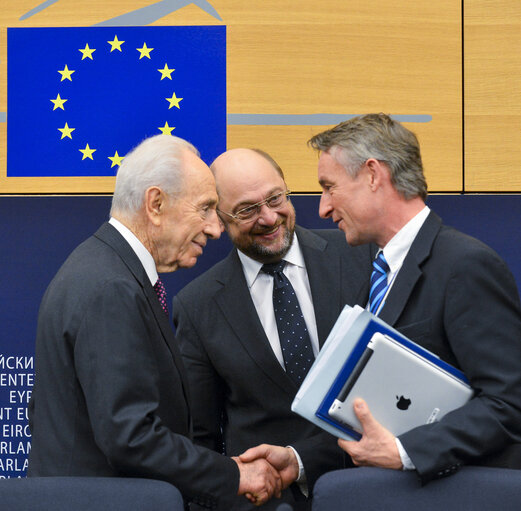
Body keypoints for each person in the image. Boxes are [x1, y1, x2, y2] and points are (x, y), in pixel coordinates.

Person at [27, 135, 282, 510]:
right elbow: (130, 436)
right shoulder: (111, 287)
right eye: (206, 209)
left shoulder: (101, 268)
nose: (215, 229)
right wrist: (233, 475)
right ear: (156, 204)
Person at [303, 113, 521, 482]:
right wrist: (297, 462)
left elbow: (509, 403)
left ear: (373, 175)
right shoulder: (377, 273)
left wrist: (406, 452)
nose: (323, 208)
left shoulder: (465, 264)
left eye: (329, 187)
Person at [172, 148, 373, 509]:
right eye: (247, 209)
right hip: (265, 502)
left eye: (275, 198)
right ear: (219, 217)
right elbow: (199, 437)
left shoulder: (361, 257)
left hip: (366, 490)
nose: (268, 217)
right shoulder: (197, 305)